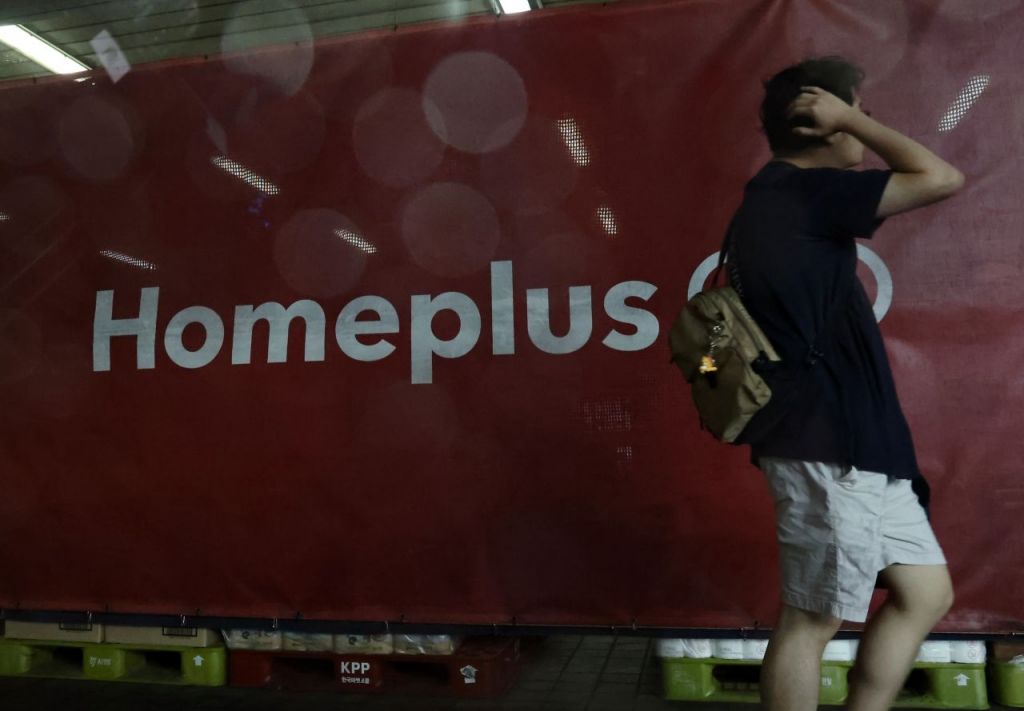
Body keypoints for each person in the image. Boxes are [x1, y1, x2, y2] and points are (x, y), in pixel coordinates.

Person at [726, 56, 964, 711]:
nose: (864, 125)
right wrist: (852, 119)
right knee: (811, 618)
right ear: (819, 122)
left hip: (859, 443)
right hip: (826, 443)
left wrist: (847, 117)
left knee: (925, 593)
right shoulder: (798, 192)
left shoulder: (779, 199)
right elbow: (941, 177)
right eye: (856, 111)